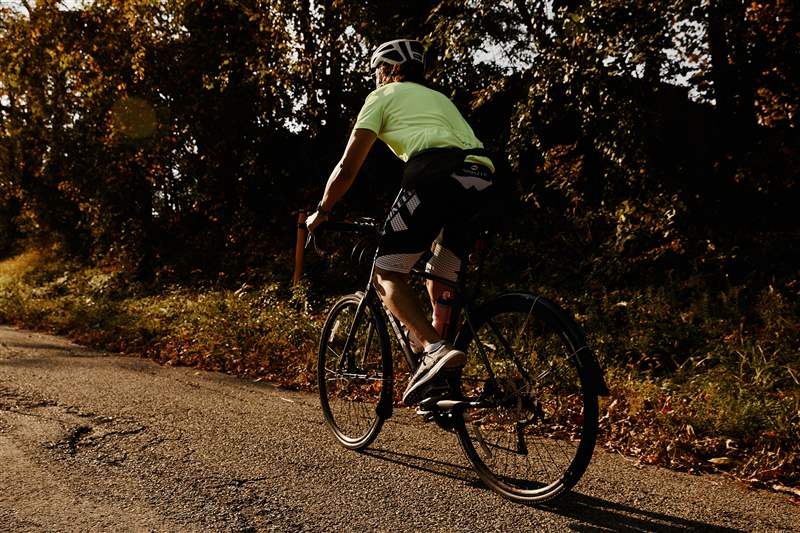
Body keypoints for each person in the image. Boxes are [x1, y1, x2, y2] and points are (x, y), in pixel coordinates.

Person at [306, 38, 497, 405]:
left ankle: (433, 349)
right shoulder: (439, 98)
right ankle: (443, 380)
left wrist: (324, 210)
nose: (376, 78)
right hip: (482, 178)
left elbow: (348, 167)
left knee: (387, 273)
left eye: (378, 70)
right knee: (441, 273)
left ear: (391, 69)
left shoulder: (382, 96)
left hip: (435, 175)